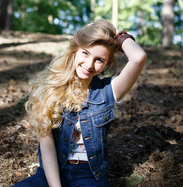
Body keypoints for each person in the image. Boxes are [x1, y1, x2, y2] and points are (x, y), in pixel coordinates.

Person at [12, 19, 147, 187]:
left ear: (106, 65)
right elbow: (46, 145)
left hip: (90, 176)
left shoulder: (108, 91)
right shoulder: (49, 89)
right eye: (85, 53)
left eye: (99, 59)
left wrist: (118, 34)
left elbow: (139, 57)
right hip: (51, 173)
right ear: (74, 50)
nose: (89, 64)